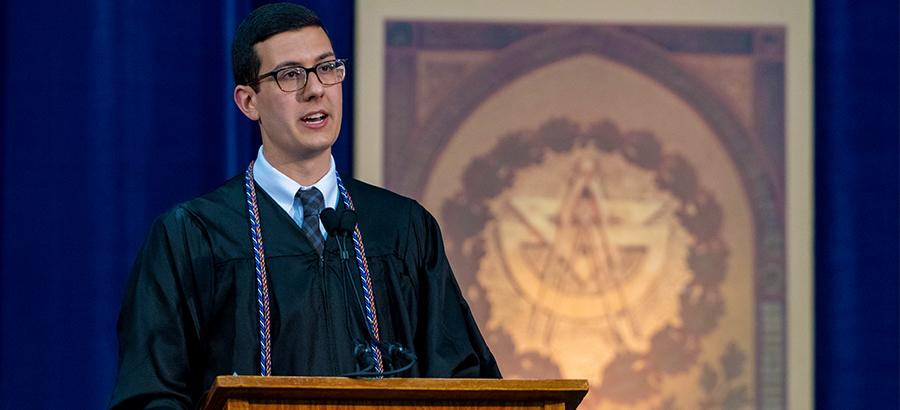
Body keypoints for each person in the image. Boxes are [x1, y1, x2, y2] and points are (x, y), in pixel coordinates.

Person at [109, 3, 500, 408]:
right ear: (248, 102)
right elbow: (151, 395)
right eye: (290, 75)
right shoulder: (193, 235)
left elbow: (463, 380)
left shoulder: (402, 228)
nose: (315, 89)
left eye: (327, 68)